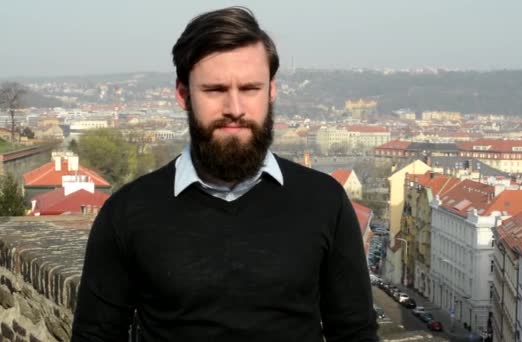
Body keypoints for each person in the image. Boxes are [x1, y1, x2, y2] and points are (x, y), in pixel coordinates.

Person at [71, 6, 378, 342]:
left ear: (271, 91)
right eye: (215, 90)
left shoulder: (324, 201)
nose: (234, 108)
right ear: (183, 95)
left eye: (250, 88)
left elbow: (354, 333)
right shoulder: (128, 212)